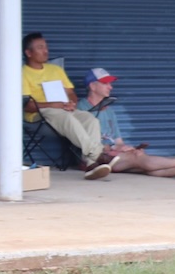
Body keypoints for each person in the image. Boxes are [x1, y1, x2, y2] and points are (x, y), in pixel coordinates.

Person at [80, 68, 175, 179]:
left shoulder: (109, 111)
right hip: (98, 159)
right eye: (105, 83)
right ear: (92, 86)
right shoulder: (81, 109)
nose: (110, 87)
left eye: (110, 83)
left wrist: (125, 147)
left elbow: (118, 140)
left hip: (114, 155)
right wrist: (114, 148)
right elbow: (84, 142)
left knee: (140, 160)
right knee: (136, 159)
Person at [20, 33, 111, 179]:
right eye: (40, 47)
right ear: (28, 53)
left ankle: (90, 164)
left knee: (90, 119)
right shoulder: (22, 73)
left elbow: (70, 93)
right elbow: (27, 106)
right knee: (65, 117)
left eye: (46, 47)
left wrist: (72, 103)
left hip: (63, 110)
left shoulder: (55, 70)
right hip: (39, 116)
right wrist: (52, 104)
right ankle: (97, 154)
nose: (46, 51)